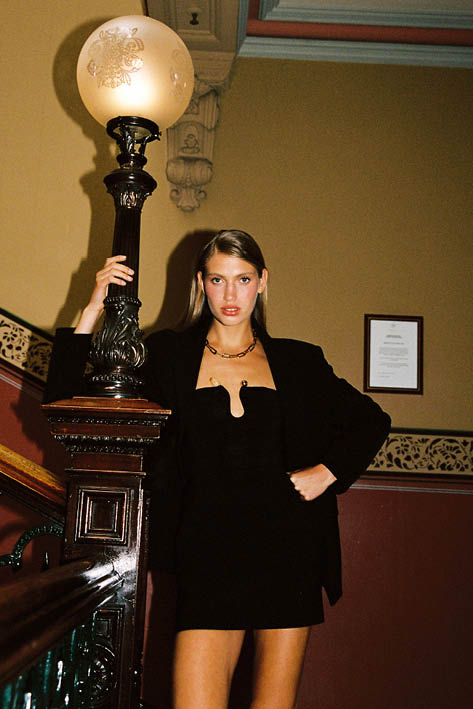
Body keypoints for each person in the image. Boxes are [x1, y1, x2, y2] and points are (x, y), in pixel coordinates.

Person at [45, 229, 390, 709]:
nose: (231, 294)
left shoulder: (299, 361)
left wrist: (327, 473)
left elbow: (372, 420)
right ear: (200, 284)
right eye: (218, 280)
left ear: (262, 281)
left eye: (243, 279)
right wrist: (91, 310)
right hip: (206, 555)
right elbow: (67, 400)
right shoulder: (167, 354)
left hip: (289, 552)